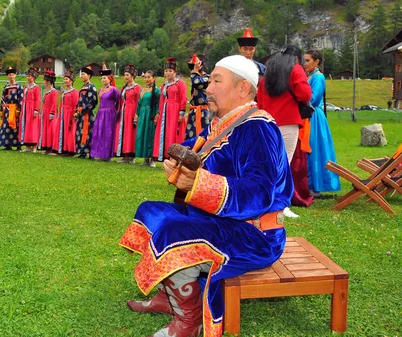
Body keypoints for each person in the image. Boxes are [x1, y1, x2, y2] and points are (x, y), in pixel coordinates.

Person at [120, 55, 293, 337]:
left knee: (174, 233)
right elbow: (194, 148)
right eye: (209, 80)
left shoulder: (258, 128)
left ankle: (189, 322)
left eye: (216, 81)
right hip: (224, 222)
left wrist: (197, 184)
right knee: (151, 212)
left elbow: (259, 194)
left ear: (242, 89)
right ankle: (171, 296)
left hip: (255, 234)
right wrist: (176, 162)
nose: (208, 88)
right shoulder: (225, 123)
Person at [256, 45, 312, 218]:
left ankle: (263, 200)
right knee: (284, 164)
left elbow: (260, 99)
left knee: (269, 162)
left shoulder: (268, 74)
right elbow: (305, 95)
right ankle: (280, 204)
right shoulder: (295, 69)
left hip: (267, 122)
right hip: (288, 121)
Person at [304, 49, 341, 196]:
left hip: (314, 116)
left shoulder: (318, 77)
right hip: (310, 115)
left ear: (316, 61)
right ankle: (311, 184)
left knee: (315, 149)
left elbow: (313, 99)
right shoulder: (311, 76)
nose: (304, 63)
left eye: (307, 60)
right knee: (311, 149)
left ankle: (316, 185)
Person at [153, 57, 187, 162]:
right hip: (165, 112)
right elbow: (161, 100)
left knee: (173, 131)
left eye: (170, 71)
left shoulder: (180, 83)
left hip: (175, 110)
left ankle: (175, 156)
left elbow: (183, 98)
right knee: (165, 131)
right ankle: (164, 154)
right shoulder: (164, 85)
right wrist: (159, 113)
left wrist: (181, 113)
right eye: (166, 71)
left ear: (174, 72)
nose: (168, 73)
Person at [90, 67, 120, 161]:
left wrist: (115, 112)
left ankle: (108, 155)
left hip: (110, 113)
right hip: (101, 112)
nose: (103, 80)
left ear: (109, 79)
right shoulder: (100, 90)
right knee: (100, 133)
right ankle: (101, 154)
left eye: (105, 78)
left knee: (108, 133)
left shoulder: (113, 90)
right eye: (102, 78)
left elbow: (118, 101)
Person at [115, 64, 141, 163]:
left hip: (132, 110)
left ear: (132, 76)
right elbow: (121, 101)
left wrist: (136, 114)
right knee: (124, 131)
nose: (125, 77)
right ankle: (125, 155)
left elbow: (139, 101)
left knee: (131, 132)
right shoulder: (124, 88)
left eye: (127, 75)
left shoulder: (137, 87)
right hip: (124, 111)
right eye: (125, 75)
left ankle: (131, 155)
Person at [135, 70, 160, 167]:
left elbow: (158, 104)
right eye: (145, 77)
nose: (146, 79)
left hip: (150, 114)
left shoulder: (157, 90)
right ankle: (145, 158)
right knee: (142, 135)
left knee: (151, 135)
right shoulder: (142, 90)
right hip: (142, 114)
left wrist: (156, 116)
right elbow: (139, 104)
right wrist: (136, 116)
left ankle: (153, 159)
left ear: (153, 78)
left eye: (149, 77)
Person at [0, 66, 23, 150]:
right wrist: (1, 110)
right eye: (9, 75)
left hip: (15, 109)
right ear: (7, 76)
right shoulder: (5, 87)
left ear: (15, 75)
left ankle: (18, 145)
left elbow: (21, 98)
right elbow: (2, 99)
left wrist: (19, 109)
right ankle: (7, 144)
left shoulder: (19, 86)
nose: (11, 76)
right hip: (7, 110)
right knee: (6, 126)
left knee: (16, 126)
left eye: (12, 74)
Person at [52, 70, 78, 155]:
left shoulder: (74, 92)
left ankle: (69, 149)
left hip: (69, 113)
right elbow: (61, 103)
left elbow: (75, 104)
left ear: (71, 81)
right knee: (61, 130)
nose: (65, 81)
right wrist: (59, 112)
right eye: (64, 79)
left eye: (67, 79)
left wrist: (74, 114)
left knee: (69, 130)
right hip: (63, 113)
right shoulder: (63, 92)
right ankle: (61, 148)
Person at [185, 54, 211, 140]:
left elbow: (197, 84)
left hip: (204, 112)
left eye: (194, 67)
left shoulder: (207, 78)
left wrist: (194, 71)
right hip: (194, 111)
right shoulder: (195, 78)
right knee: (191, 136)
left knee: (203, 136)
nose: (192, 70)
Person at [75, 66, 98, 159]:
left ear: (89, 75)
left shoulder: (91, 87)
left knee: (88, 132)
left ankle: (90, 152)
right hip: (81, 113)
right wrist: (77, 110)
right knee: (80, 132)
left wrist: (83, 110)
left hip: (87, 113)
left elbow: (93, 101)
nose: (81, 76)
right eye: (81, 74)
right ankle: (82, 151)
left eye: (83, 74)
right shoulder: (83, 87)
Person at [19, 67, 41, 152]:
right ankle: (27, 146)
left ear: (33, 77)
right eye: (27, 76)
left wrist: (36, 110)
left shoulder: (36, 88)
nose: (28, 78)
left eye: (30, 76)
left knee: (32, 126)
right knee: (25, 126)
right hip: (25, 107)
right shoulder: (25, 87)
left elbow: (37, 99)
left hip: (31, 107)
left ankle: (34, 146)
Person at [39, 71, 58, 153]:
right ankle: (46, 146)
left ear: (49, 82)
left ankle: (51, 148)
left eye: (45, 81)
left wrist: (52, 113)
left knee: (51, 130)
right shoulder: (46, 91)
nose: (44, 83)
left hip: (50, 112)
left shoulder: (54, 92)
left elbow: (54, 103)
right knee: (45, 129)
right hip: (45, 112)